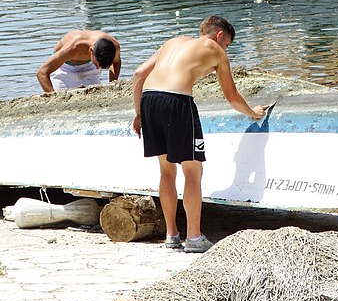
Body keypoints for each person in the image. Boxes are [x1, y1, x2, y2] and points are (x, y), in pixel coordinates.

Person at [132, 15, 269, 253]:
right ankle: (194, 237)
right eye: (227, 44)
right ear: (219, 36)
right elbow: (232, 96)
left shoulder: (173, 42)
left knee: (166, 169)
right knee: (193, 170)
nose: (225, 49)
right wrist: (253, 113)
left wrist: (139, 114)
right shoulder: (215, 50)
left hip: (149, 99)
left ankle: (172, 234)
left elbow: (138, 74)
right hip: (177, 101)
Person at [36, 29, 121, 93]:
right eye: (97, 64)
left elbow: (116, 62)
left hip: (89, 65)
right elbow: (42, 73)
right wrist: (52, 96)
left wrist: (112, 84)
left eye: (100, 66)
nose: (98, 68)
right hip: (64, 67)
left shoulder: (114, 46)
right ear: (91, 50)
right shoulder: (73, 47)